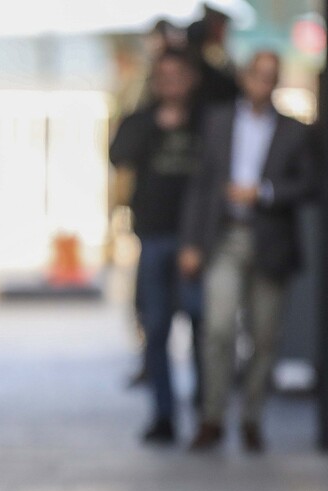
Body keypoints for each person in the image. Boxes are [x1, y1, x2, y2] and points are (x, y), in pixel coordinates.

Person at [179, 50, 316, 453]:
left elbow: (309, 184)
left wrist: (265, 193)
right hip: (225, 236)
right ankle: (212, 416)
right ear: (245, 77)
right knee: (217, 327)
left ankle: (252, 418)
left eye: (271, 76)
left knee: (264, 336)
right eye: (258, 75)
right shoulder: (218, 122)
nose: (263, 83)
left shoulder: (293, 131)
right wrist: (191, 242)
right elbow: (200, 185)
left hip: (270, 239)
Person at [109, 49, 204, 445]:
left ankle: (206, 410)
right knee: (157, 328)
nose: (170, 83)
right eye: (162, 76)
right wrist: (152, 121)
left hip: (198, 239)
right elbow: (119, 156)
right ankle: (164, 414)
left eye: (177, 74)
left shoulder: (206, 121)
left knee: (204, 325)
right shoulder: (140, 121)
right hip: (154, 236)